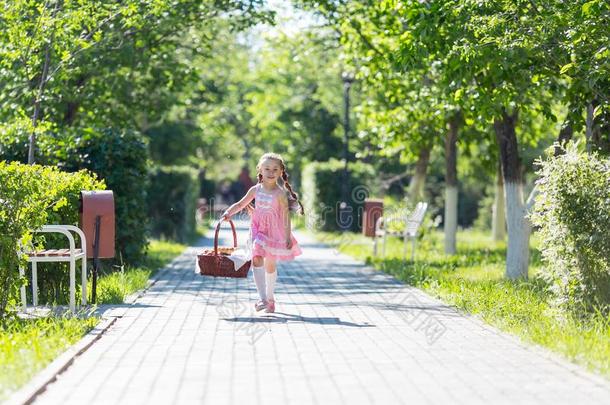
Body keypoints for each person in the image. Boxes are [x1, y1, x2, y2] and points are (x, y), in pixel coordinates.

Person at [221, 153, 303, 313]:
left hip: (275, 232)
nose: (271, 172)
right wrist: (228, 213)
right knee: (257, 257)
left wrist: (287, 236)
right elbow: (240, 204)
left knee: (270, 265)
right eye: (267, 169)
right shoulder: (255, 190)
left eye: (275, 169)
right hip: (258, 230)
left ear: (280, 172)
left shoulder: (280, 194)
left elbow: (286, 217)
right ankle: (263, 298)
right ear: (260, 170)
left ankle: (270, 298)